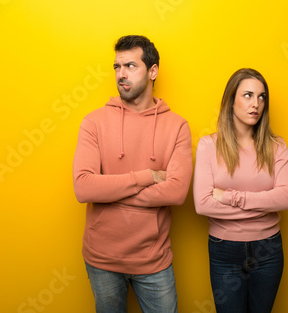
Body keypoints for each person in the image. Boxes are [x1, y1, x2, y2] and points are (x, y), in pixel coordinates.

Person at [73, 35, 192, 313]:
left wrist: (110, 193)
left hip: (153, 260)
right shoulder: (94, 122)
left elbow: (176, 193)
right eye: (116, 67)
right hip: (102, 260)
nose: (121, 74)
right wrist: (149, 176)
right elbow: (83, 188)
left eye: (130, 66)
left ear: (153, 71)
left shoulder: (177, 126)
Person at [193, 68, 288, 313]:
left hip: (268, 249)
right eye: (248, 95)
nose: (256, 104)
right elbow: (203, 204)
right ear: (231, 101)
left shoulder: (276, 146)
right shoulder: (209, 145)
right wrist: (263, 208)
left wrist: (230, 197)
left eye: (261, 97)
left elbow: (287, 198)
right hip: (224, 250)